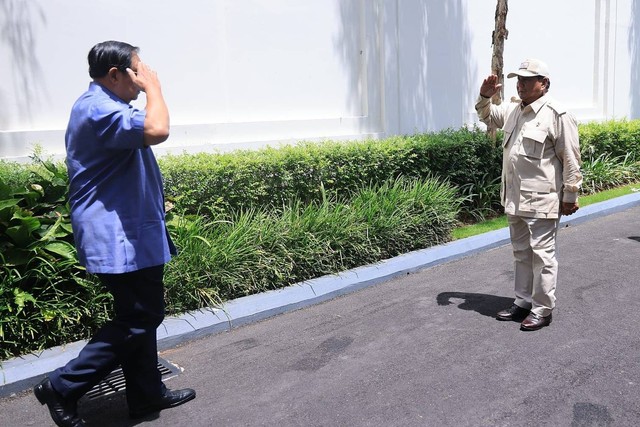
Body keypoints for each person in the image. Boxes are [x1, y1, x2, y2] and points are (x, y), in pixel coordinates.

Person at [33, 41, 195, 426]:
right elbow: (158, 129)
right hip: (118, 238)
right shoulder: (99, 109)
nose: (142, 80)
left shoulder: (108, 106)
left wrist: (146, 89)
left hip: (131, 233)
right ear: (115, 75)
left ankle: (145, 395)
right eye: (137, 72)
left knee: (137, 314)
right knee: (142, 315)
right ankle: (62, 385)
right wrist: (155, 88)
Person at [475, 58, 582, 331]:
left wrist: (570, 195)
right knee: (521, 253)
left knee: (543, 256)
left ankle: (542, 309)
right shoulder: (513, 110)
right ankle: (522, 302)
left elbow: (570, 158)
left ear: (543, 83)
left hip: (542, 200)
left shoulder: (557, 114)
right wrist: (485, 95)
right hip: (514, 198)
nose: (520, 84)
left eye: (526, 79)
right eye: (518, 79)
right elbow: (486, 115)